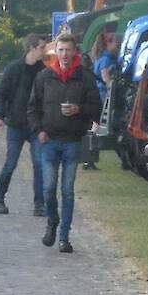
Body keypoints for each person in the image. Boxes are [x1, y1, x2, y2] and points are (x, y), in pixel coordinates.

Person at [27, 33, 101, 253]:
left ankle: (64, 236)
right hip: (49, 139)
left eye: (68, 50)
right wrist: (39, 130)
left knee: (67, 190)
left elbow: (96, 108)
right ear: (55, 52)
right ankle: (52, 221)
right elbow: (33, 108)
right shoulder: (44, 77)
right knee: (48, 188)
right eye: (60, 50)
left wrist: (79, 110)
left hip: (72, 140)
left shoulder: (84, 77)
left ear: (74, 51)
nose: (64, 54)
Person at [0, 33, 47, 216]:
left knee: (39, 164)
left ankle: (39, 203)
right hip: (16, 123)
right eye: (41, 47)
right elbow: (2, 94)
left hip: (36, 125)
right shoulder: (14, 69)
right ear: (32, 48)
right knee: (11, 163)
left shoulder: (44, 71)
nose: (44, 51)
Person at [92, 32, 118, 104]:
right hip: (104, 95)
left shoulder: (101, 58)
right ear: (108, 43)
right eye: (115, 42)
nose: (117, 44)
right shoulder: (106, 60)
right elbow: (106, 80)